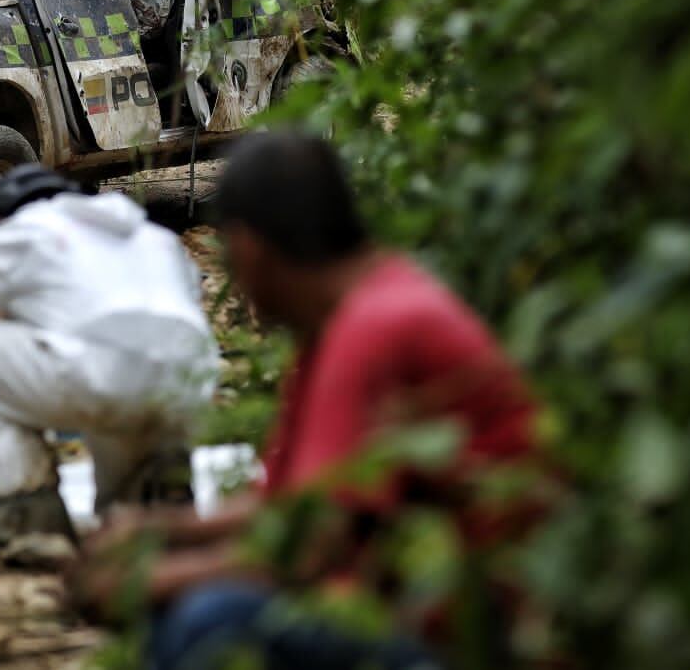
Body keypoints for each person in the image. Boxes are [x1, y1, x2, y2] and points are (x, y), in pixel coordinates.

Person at [69, 133, 543, 670]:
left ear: (249, 249)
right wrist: (154, 532)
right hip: (424, 604)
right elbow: (285, 507)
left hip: (480, 636)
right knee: (190, 607)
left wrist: (145, 579)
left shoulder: (374, 327)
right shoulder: (347, 317)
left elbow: (309, 549)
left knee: (210, 618)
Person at [0, 165, 219, 536]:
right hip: (189, 389)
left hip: (96, 380)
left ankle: (30, 513)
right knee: (124, 422)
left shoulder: (21, 232)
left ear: (1, 219)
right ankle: (159, 505)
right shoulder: (152, 236)